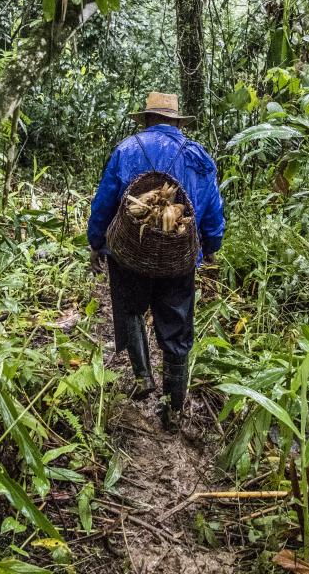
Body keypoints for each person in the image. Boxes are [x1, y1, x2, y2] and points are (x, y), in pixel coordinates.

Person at [88, 92, 225, 431]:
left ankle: (141, 375)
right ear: (177, 123)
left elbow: (105, 200)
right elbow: (212, 209)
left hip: (131, 253)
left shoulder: (126, 150)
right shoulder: (198, 156)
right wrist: (210, 246)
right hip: (178, 258)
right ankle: (175, 406)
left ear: (148, 120)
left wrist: (96, 241)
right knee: (177, 324)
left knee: (130, 306)